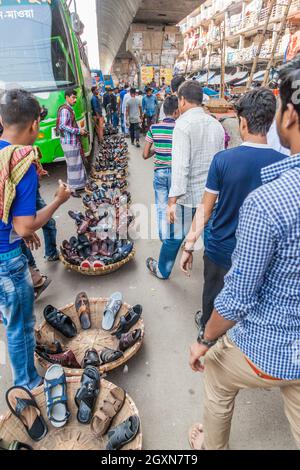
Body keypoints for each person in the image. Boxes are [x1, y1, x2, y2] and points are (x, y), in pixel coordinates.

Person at [188, 56, 300, 451]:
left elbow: (237, 296)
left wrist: (204, 338)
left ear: (287, 115)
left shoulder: (259, 185)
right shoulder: (281, 164)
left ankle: (210, 444)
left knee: (216, 369)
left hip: (224, 253)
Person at [180, 88, 287, 329]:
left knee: (213, 300)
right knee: (251, 305)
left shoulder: (223, 160)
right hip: (263, 256)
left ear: (243, 122)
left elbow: (205, 210)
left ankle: (206, 334)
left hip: (221, 250)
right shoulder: (286, 166)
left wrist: (189, 245)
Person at [0, 89, 71, 390]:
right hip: (7, 262)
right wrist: (58, 200)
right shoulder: (21, 161)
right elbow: (26, 225)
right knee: (21, 327)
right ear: (33, 126)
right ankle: (28, 385)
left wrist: (19, 231)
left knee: (10, 317)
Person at [147, 81, 225, 280]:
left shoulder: (183, 125)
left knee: (174, 237)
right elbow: (220, 161)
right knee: (211, 241)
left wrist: (172, 202)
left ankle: (163, 270)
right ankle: (214, 282)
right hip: (212, 197)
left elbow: (180, 168)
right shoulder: (216, 124)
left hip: (188, 197)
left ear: (182, 100)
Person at [143, 95, 179, 243]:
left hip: (160, 172)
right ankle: (174, 235)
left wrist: (156, 150)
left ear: (163, 110)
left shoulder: (154, 128)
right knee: (175, 206)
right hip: (176, 173)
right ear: (176, 112)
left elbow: (145, 154)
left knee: (161, 207)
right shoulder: (180, 128)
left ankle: (164, 239)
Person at [56, 88, 88, 198]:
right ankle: (72, 189)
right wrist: (78, 131)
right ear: (67, 97)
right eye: (73, 97)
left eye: (75, 97)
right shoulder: (65, 110)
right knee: (73, 166)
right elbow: (62, 126)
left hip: (72, 141)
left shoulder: (69, 109)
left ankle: (78, 186)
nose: (75, 100)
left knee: (76, 164)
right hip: (69, 142)